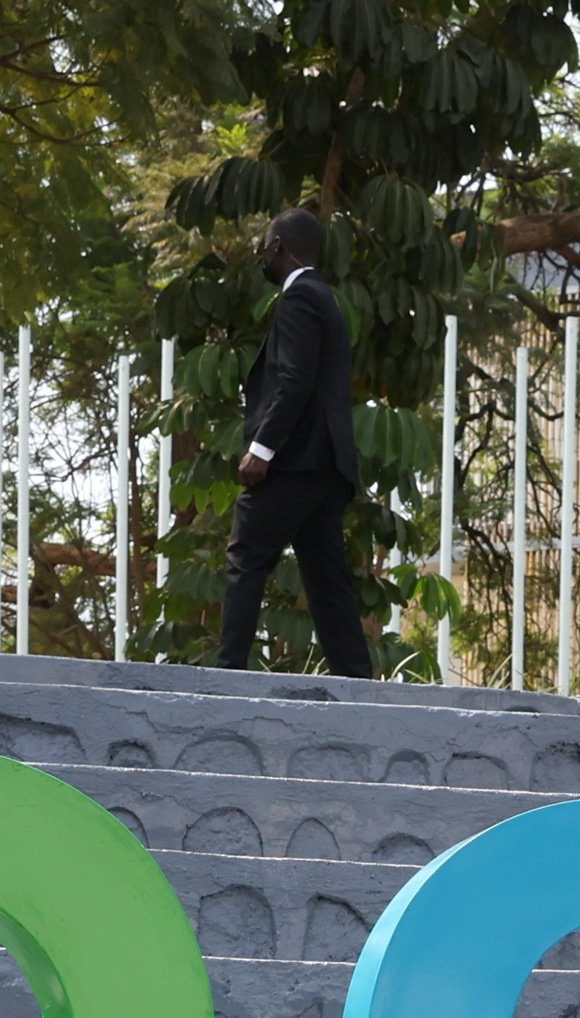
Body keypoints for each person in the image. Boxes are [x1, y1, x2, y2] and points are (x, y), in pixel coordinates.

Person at [216, 207, 376, 679]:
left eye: (264, 248)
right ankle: (357, 682)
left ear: (278, 247)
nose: (262, 257)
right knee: (327, 581)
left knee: (246, 559)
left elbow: (294, 380)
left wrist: (262, 449)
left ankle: (228, 674)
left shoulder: (299, 298)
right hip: (327, 471)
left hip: (293, 464)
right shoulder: (326, 299)